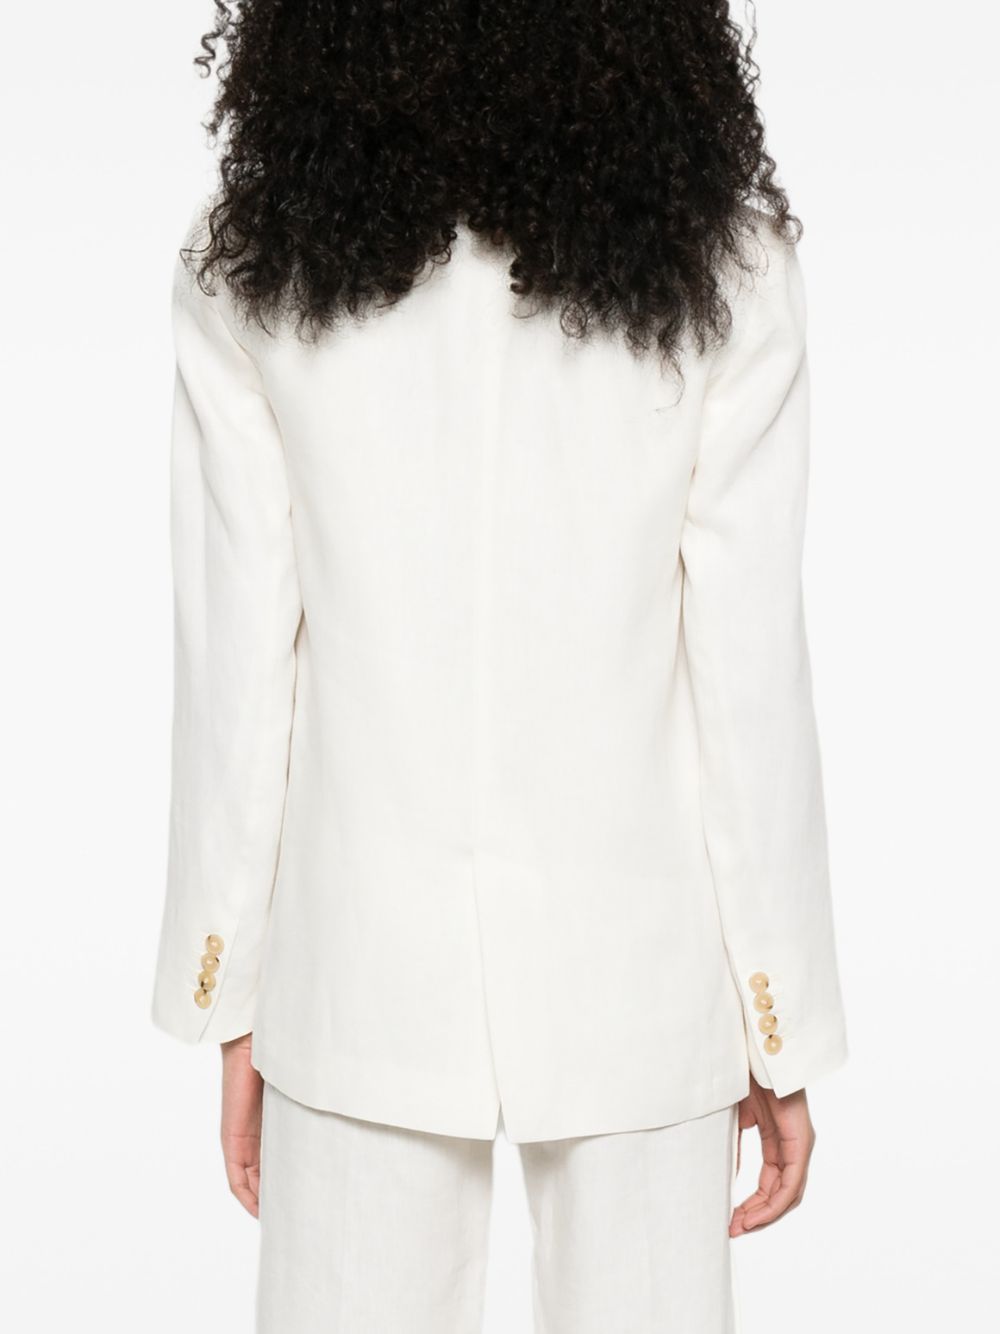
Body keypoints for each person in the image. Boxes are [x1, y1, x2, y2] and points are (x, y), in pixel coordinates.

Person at [151, 3, 848, 1331]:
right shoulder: (724, 263)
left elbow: (239, 672)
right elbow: (749, 677)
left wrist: (230, 985)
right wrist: (778, 1016)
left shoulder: (253, 258)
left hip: (358, 974)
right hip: (644, 976)